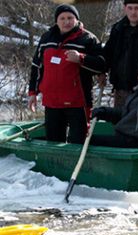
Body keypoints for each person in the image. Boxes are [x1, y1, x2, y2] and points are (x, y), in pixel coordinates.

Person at [28, 4, 105, 143]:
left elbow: (102, 65)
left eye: (70, 18)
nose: (66, 22)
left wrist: (81, 59)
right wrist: (33, 93)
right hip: (52, 102)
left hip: (78, 103)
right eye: (62, 18)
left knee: (78, 143)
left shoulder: (88, 39)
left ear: (77, 20)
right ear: (56, 21)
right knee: (53, 142)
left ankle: (79, 165)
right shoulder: (46, 38)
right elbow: (36, 66)